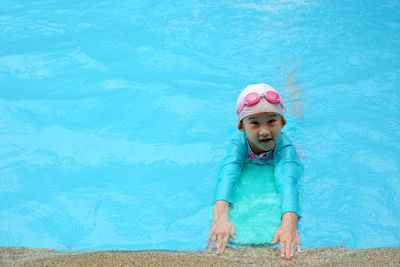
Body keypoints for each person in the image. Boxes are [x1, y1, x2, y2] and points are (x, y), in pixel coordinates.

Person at [207, 83, 303, 259]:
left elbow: (288, 182)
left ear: (282, 122)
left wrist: (289, 223)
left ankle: (293, 87)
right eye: (255, 123)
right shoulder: (238, 144)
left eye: (272, 121)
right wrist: (220, 218)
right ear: (241, 127)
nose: (265, 131)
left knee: (299, 116)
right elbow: (228, 176)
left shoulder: (286, 148)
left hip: (294, 143)